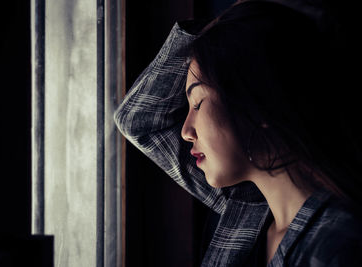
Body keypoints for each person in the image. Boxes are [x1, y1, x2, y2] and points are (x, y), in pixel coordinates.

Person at [114, 0, 362, 266]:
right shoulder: (248, 206)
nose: (186, 131)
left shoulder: (342, 245)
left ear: (258, 102)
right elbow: (140, 120)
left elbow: (141, 123)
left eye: (197, 103)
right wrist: (220, 29)